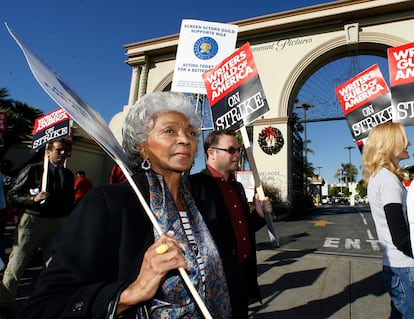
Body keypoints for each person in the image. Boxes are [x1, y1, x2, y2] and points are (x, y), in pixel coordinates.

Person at [17, 92, 232, 319]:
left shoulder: (203, 205)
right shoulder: (106, 204)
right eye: (170, 131)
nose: (185, 139)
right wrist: (132, 292)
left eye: (191, 133)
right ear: (142, 146)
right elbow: (42, 308)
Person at [188, 129, 273, 319]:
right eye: (231, 150)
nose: (237, 154)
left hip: (243, 274)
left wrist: (259, 215)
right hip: (217, 279)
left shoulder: (238, 187)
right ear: (211, 153)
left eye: (239, 150)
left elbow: (241, 228)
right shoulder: (195, 186)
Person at [0, 138, 75, 313]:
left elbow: (69, 199)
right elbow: (13, 195)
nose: (63, 153)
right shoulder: (33, 171)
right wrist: (32, 199)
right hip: (34, 221)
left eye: (66, 150)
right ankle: (4, 302)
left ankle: (49, 302)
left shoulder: (68, 175)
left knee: (54, 264)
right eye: (59, 150)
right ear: (48, 152)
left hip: (58, 222)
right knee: (18, 262)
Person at [362, 122, 414, 318]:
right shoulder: (387, 180)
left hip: (398, 266)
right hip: (404, 266)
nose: (408, 143)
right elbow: (400, 235)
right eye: (403, 138)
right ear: (391, 143)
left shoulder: (381, 177)